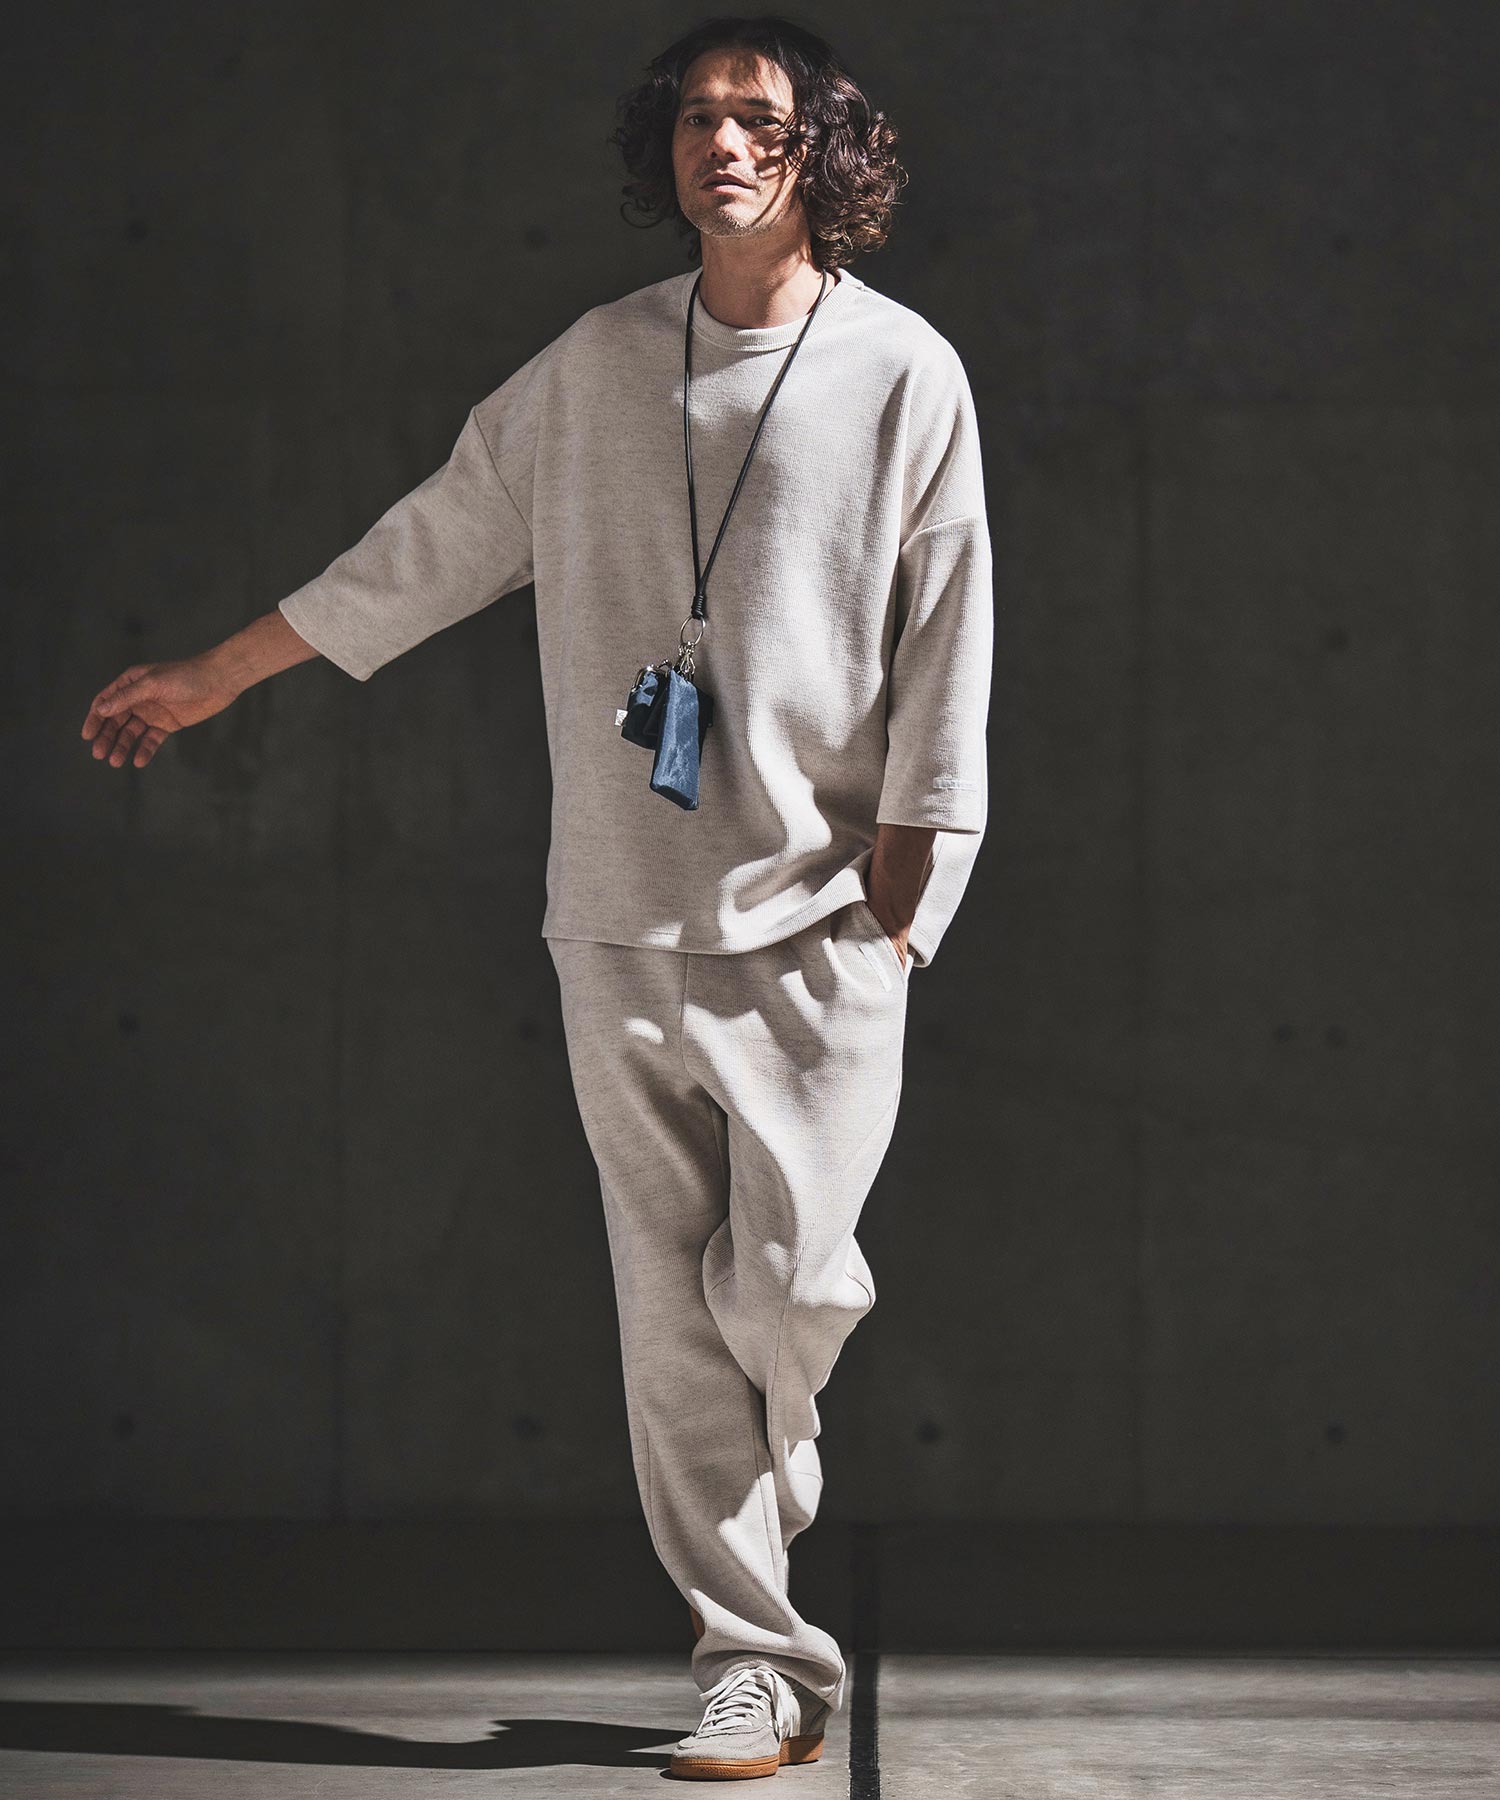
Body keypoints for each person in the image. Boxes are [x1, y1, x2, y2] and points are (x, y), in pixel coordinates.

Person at [80, 14, 993, 1783]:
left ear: (822, 149)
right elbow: (424, 547)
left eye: (761, 118)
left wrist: (912, 870)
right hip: (619, 918)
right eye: (699, 117)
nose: (725, 144)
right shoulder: (594, 365)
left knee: (786, 1288)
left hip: (820, 915)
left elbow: (950, 624)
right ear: (668, 149)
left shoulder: (903, 372)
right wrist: (214, 676)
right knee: (668, 1321)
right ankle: (755, 1657)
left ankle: (768, 1512)